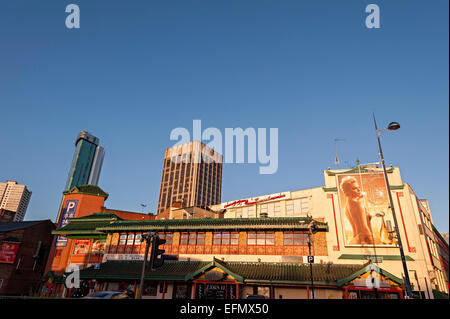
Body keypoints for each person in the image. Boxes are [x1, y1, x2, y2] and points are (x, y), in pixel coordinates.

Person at [340, 176, 374, 245]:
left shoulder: (347, 205)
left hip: (356, 239)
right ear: (347, 191)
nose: (359, 190)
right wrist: (372, 243)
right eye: (354, 188)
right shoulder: (357, 203)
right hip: (364, 240)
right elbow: (364, 228)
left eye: (358, 187)